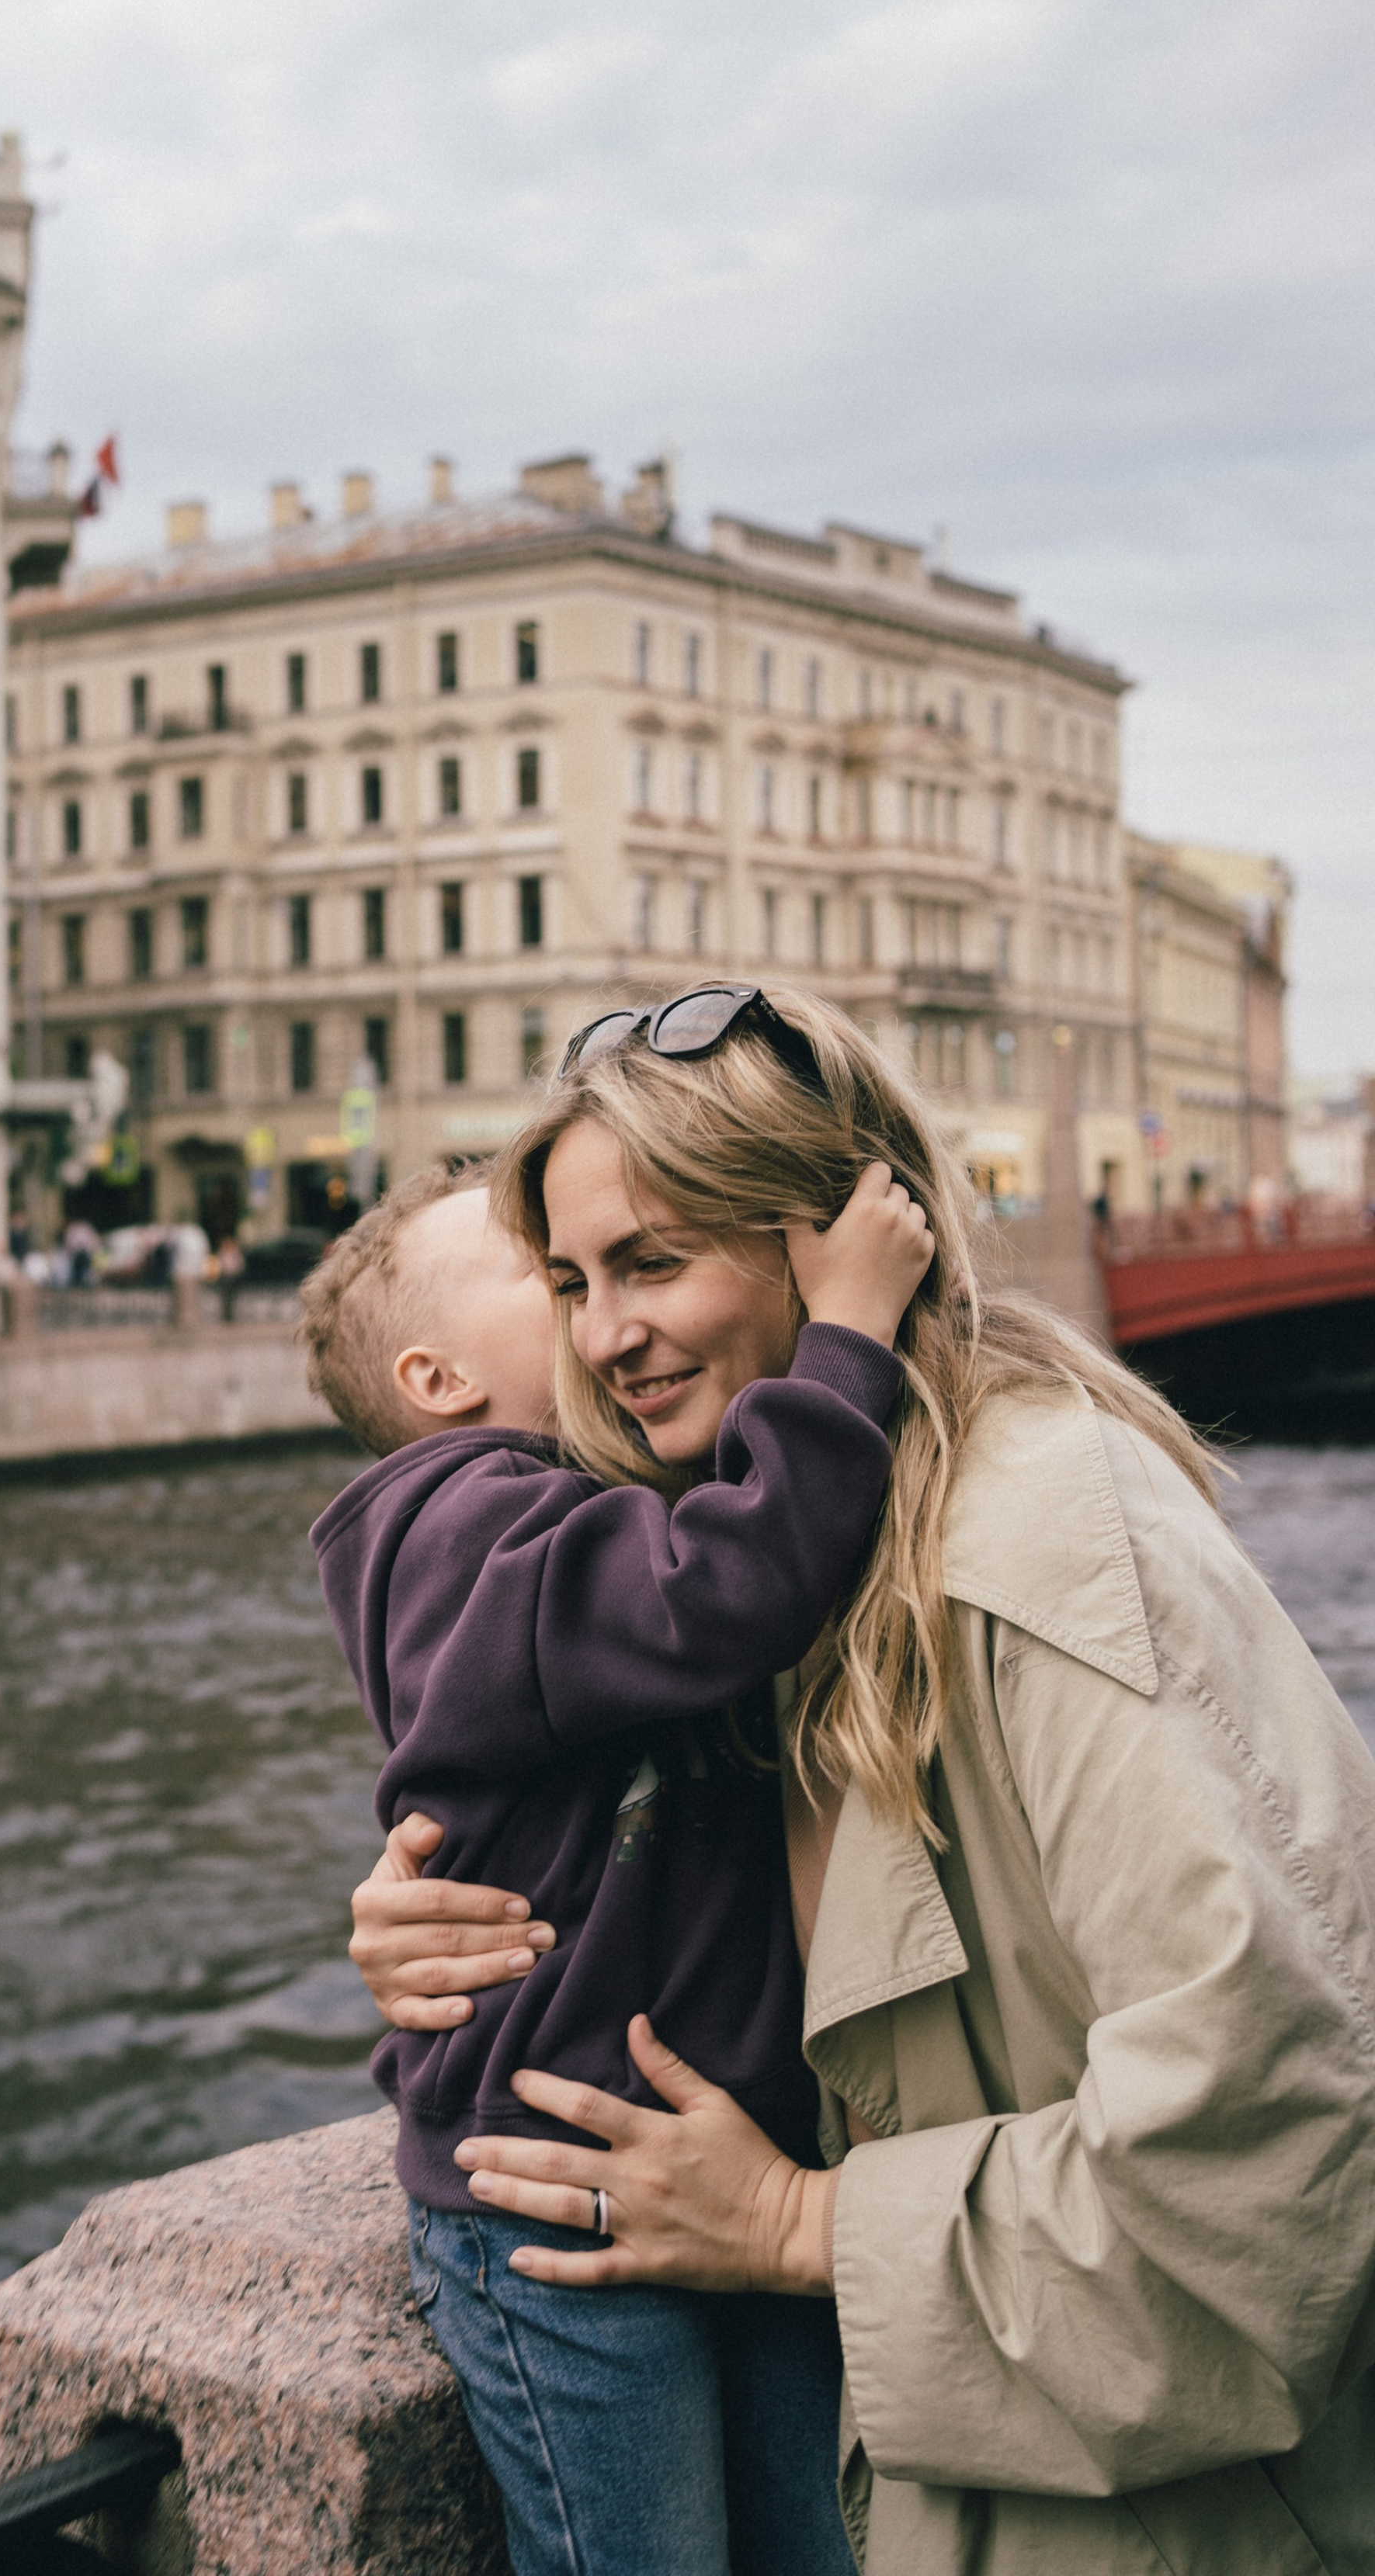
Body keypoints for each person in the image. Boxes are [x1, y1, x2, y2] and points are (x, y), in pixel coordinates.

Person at [348, 981, 1375, 2574]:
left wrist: (792, 2228)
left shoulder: (1036, 1547)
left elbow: (1282, 2151)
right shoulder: (795, 1540)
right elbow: (603, 1777)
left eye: (653, 1259)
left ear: (823, 1241)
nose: (604, 1334)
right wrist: (430, 1907)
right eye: (567, 1281)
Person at [302, 1147, 932, 2576]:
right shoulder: (456, 1526)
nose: (598, 1313)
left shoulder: (571, 1506)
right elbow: (727, 1586)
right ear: (438, 1380)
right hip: (548, 2194)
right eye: (552, 1277)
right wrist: (848, 1338)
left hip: (711, 2153)